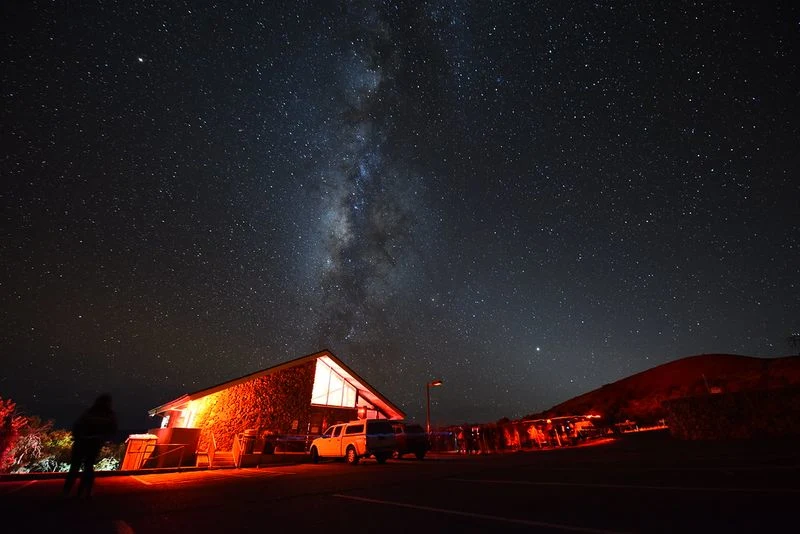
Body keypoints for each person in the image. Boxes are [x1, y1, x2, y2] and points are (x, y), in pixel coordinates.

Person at [63, 394, 118, 498]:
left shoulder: (90, 411)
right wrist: (102, 438)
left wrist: (77, 436)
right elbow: (112, 429)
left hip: (81, 442)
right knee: (88, 466)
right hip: (94, 443)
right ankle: (85, 491)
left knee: (75, 467)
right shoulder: (109, 414)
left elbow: (77, 425)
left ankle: (66, 491)